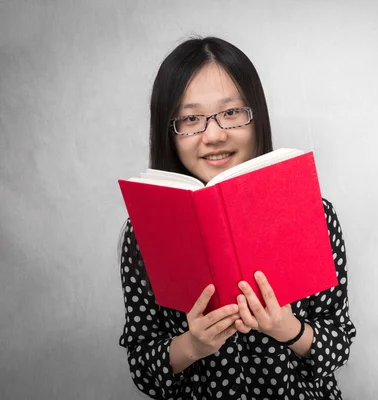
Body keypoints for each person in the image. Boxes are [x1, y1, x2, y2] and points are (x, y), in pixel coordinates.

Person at [118, 36, 356, 400]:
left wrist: (287, 329)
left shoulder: (313, 213)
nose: (213, 135)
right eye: (190, 118)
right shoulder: (145, 231)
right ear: (169, 132)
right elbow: (143, 369)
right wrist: (192, 345)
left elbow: (339, 345)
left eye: (230, 113)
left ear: (255, 116)